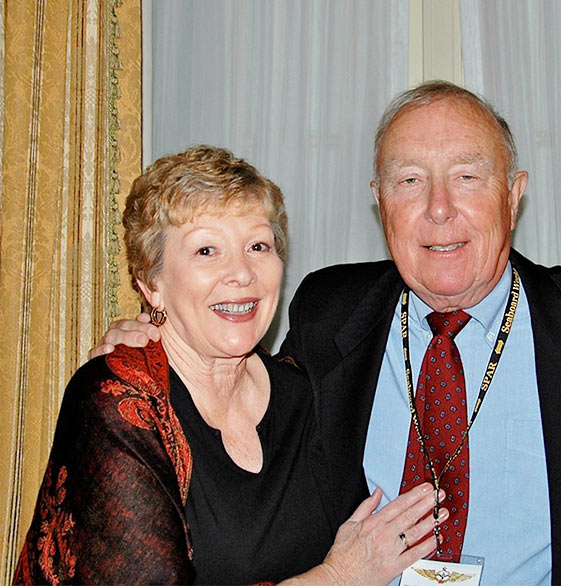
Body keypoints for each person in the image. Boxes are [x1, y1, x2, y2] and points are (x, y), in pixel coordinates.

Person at [91, 83, 561, 585]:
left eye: (467, 176)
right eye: (409, 181)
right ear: (379, 200)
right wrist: (165, 340)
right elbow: (240, 412)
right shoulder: (329, 311)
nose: (439, 209)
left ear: (514, 193)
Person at [14, 146, 445, 585]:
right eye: (206, 250)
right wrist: (337, 577)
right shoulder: (118, 403)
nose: (241, 273)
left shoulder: (305, 392)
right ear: (151, 283)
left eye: (258, 246)